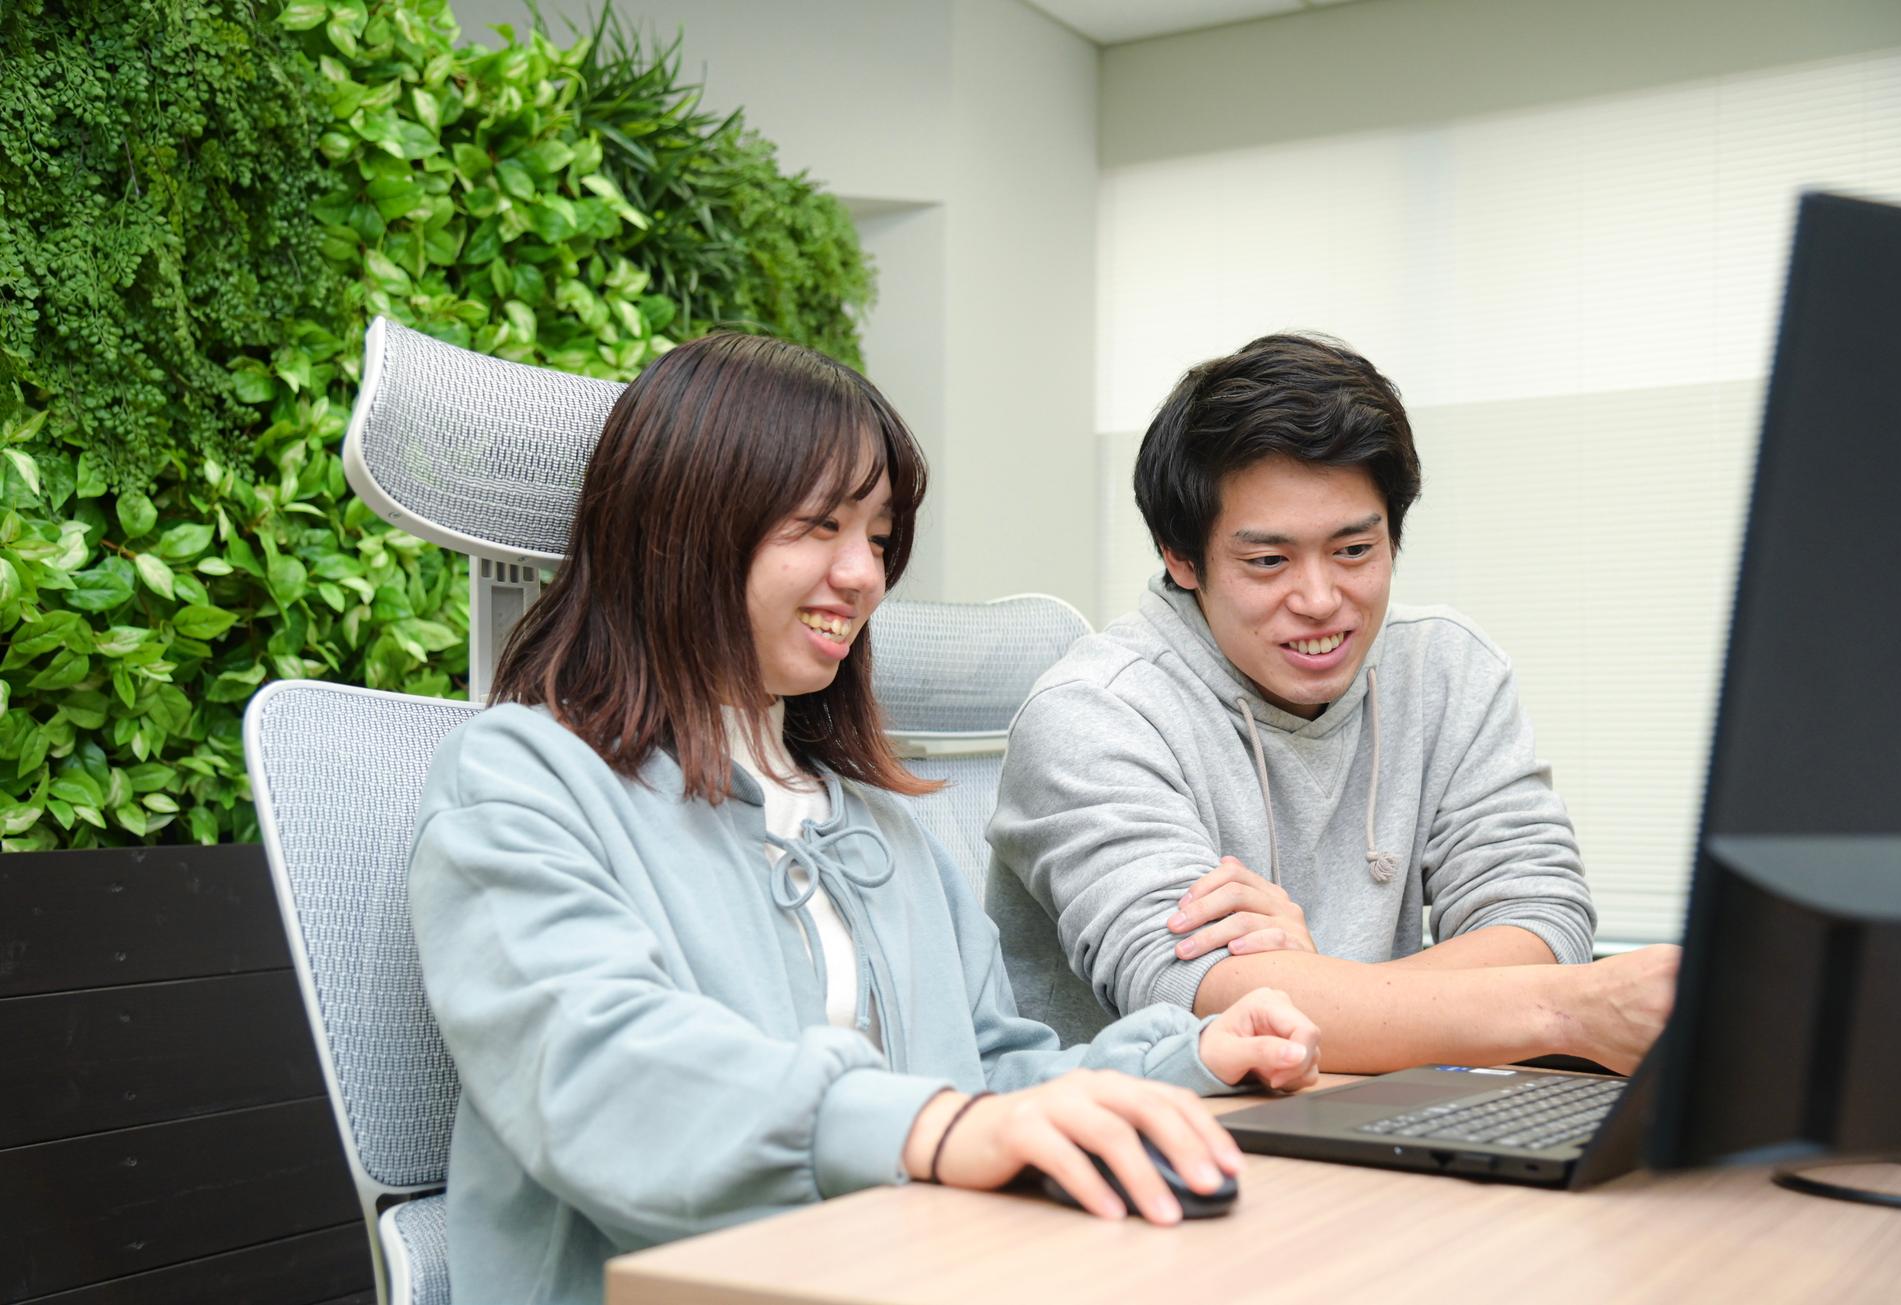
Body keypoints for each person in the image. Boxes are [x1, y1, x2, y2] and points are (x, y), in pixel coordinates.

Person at [407, 333, 1323, 1305]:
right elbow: (603, 1078)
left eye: (879, 539)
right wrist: (932, 1128)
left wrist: (1187, 1056)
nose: (864, 575)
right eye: (818, 526)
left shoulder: (877, 827)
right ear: (682, 528)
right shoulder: (520, 781)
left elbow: (989, 1076)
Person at [987, 332, 1679, 1074]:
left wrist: (1320, 985)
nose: (1320, 600)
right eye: (1268, 560)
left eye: (1354, 551)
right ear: (1180, 557)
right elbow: (1199, 999)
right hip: (1155, 1127)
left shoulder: (1446, 670)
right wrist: (1559, 1008)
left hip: (1376, 1110)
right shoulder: (1093, 714)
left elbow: (1541, 920)